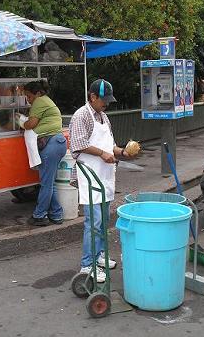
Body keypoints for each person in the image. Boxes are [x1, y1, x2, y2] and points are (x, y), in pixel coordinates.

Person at [69, 79, 136, 283]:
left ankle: (99, 257)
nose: (106, 104)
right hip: (89, 176)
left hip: (105, 177)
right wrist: (102, 154)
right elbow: (79, 145)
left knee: (104, 220)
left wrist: (122, 151)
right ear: (93, 97)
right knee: (94, 222)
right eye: (103, 100)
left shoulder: (103, 116)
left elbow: (111, 145)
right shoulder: (82, 115)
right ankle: (87, 265)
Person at [16, 80, 67, 226]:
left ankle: (40, 215)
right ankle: (56, 214)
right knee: (49, 183)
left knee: (46, 184)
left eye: (29, 96)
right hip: (57, 143)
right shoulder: (46, 101)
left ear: (38, 93)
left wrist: (21, 122)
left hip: (51, 145)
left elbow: (31, 124)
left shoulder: (40, 101)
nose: (28, 100)